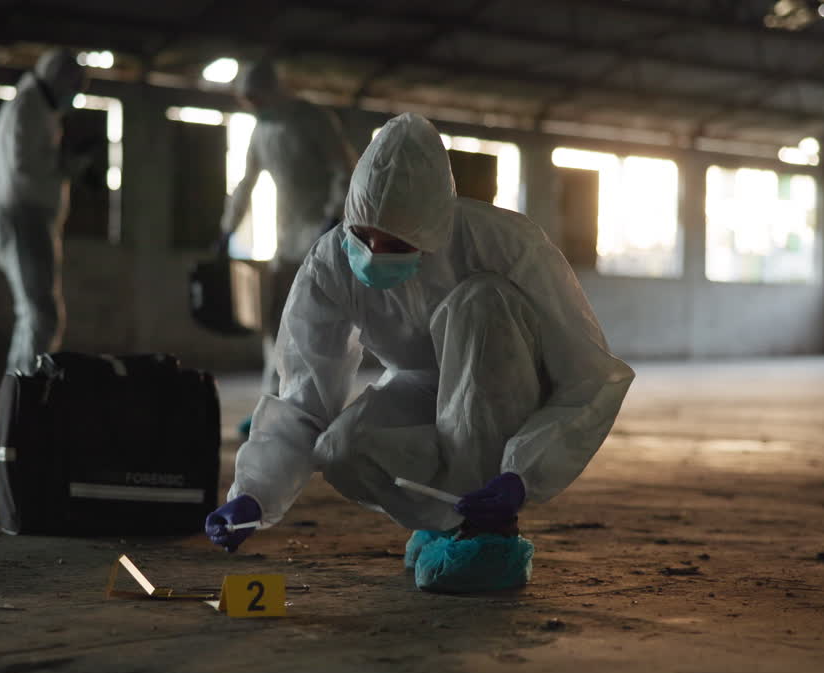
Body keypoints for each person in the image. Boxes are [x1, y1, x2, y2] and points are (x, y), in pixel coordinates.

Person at [205, 112, 635, 590]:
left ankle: (491, 532)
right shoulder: (329, 261)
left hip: (511, 380)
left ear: (435, 231)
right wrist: (254, 495)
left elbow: (589, 375)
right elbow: (305, 391)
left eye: (395, 244)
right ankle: (445, 523)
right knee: (343, 449)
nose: (372, 253)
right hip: (419, 380)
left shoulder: (508, 245)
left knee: (480, 302)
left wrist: (524, 473)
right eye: (363, 235)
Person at [220, 60, 358, 436]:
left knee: (315, 327)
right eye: (246, 99)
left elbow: (343, 170)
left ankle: (314, 410)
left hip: (323, 234)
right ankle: (272, 405)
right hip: (287, 239)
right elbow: (246, 182)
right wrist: (226, 229)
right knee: (277, 322)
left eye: (256, 96)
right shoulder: (261, 133)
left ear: (273, 90)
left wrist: (333, 218)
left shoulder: (313, 119)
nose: (251, 104)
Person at [0, 50, 87, 374]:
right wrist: (68, 164)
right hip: (22, 214)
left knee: (33, 311)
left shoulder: (39, 109)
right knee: (41, 312)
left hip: (27, 215)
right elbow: (25, 166)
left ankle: (19, 387)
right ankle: (27, 387)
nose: (75, 95)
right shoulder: (28, 107)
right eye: (75, 87)